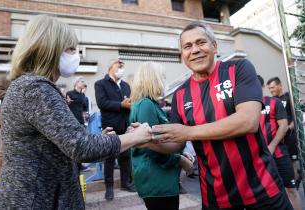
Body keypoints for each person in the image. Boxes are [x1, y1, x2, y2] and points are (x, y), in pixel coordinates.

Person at [0, 15, 151, 209]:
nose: (76, 55)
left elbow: (63, 146)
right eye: (71, 49)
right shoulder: (35, 88)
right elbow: (80, 147)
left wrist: (110, 139)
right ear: (50, 49)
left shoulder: (28, 86)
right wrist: (137, 137)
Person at [151, 22, 292, 210]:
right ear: (182, 55)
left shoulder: (239, 69)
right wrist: (147, 140)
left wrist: (187, 131)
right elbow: (177, 143)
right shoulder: (180, 95)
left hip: (263, 191)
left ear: (214, 46)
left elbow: (248, 121)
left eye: (201, 42)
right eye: (187, 46)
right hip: (216, 198)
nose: (195, 50)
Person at [129, 62, 193, 210]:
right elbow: (152, 145)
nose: (165, 81)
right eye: (163, 77)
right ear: (153, 79)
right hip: (157, 178)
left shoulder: (145, 103)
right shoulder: (146, 105)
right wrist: (180, 160)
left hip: (155, 178)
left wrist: (180, 152)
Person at [258, 75, 301, 210]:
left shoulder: (273, 102)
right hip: (259, 159)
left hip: (279, 154)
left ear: (262, 87)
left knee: (291, 190)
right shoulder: (245, 108)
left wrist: (271, 145)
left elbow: (283, 126)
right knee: (268, 195)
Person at [95, 58, 135, 201]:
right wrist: (120, 105)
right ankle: (109, 187)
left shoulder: (126, 85)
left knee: (125, 156)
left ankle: (126, 183)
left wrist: (130, 107)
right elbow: (102, 103)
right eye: (119, 65)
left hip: (125, 124)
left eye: (123, 66)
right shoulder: (100, 84)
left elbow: (129, 102)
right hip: (110, 125)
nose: (122, 68)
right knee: (110, 158)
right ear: (111, 67)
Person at [267, 77, 300, 179]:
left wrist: (289, 127)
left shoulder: (288, 97)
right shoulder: (273, 101)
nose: (271, 90)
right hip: (280, 139)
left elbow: (296, 116)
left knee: (293, 161)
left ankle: (296, 184)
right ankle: (292, 183)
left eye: (273, 87)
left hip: (290, 136)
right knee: (285, 162)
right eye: (269, 89)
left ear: (280, 85)